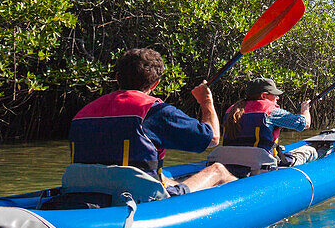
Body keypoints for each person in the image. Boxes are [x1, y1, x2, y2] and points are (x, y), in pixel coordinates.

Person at [68, 48, 235, 197]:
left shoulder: (81, 114)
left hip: (85, 192)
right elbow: (212, 138)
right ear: (155, 84)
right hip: (137, 197)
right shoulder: (154, 112)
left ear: (118, 78)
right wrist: (206, 101)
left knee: (166, 179)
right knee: (218, 169)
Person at [219, 77, 316, 174]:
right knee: (310, 151)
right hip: (260, 166)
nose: (277, 98)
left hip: (229, 164)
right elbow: (304, 124)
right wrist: (305, 110)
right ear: (264, 96)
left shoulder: (231, 111)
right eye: (275, 95)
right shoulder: (271, 112)